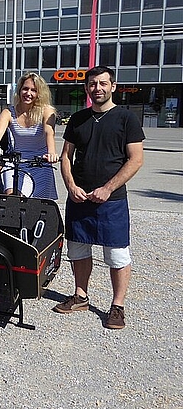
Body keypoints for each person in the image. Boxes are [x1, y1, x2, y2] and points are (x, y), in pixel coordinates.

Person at [54, 65, 144, 330]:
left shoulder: (126, 118)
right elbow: (66, 157)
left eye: (103, 84)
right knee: (78, 250)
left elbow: (136, 159)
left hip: (112, 200)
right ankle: (80, 296)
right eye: (93, 84)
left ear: (113, 86)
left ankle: (117, 306)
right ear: (87, 88)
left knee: (117, 255)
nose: (98, 88)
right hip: (80, 199)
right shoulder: (78, 119)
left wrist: (108, 188)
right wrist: (70, 186)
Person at [0, 72, 59, 199]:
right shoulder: (9, 112)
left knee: (38, 206)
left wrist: (52, 153)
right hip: (17, 161)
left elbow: (49, 132)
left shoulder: (47, 111)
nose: (28, 93)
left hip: (40, 162)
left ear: (39, 93)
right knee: (12, 198)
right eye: (25, 89)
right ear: (19, 90)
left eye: (33, 90)